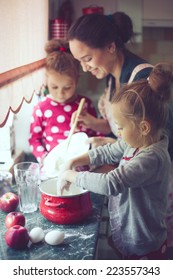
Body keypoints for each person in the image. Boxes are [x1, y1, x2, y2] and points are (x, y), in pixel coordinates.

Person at [57, 62, 173, 259]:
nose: (117, 132)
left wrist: (71, 175)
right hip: (133, 234)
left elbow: (111, 183)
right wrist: (73, 161)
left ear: (143, 127)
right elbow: (109, 151)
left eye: (120, 127)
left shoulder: (151, 157)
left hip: (144, 244)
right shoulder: (138, 142)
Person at [67, 12, 153, 148]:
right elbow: (120, 129)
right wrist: (91, 122)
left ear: (110, 47)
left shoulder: (142, 78)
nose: (84, 69)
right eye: (79, 62)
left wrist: (113, 146)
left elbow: (152, 142)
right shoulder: (111, 77)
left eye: (88, 59)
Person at [29, 39, 102, 164]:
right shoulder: (41, 108)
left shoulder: (85, 105)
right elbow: (34, 139)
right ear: (46, 80)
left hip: (82, 166)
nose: (60, 93)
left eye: (67, 87)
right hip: (53, 167)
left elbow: (97, 134)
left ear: (77, 81)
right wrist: (45, 159)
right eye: (54, 87)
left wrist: (94, 153)